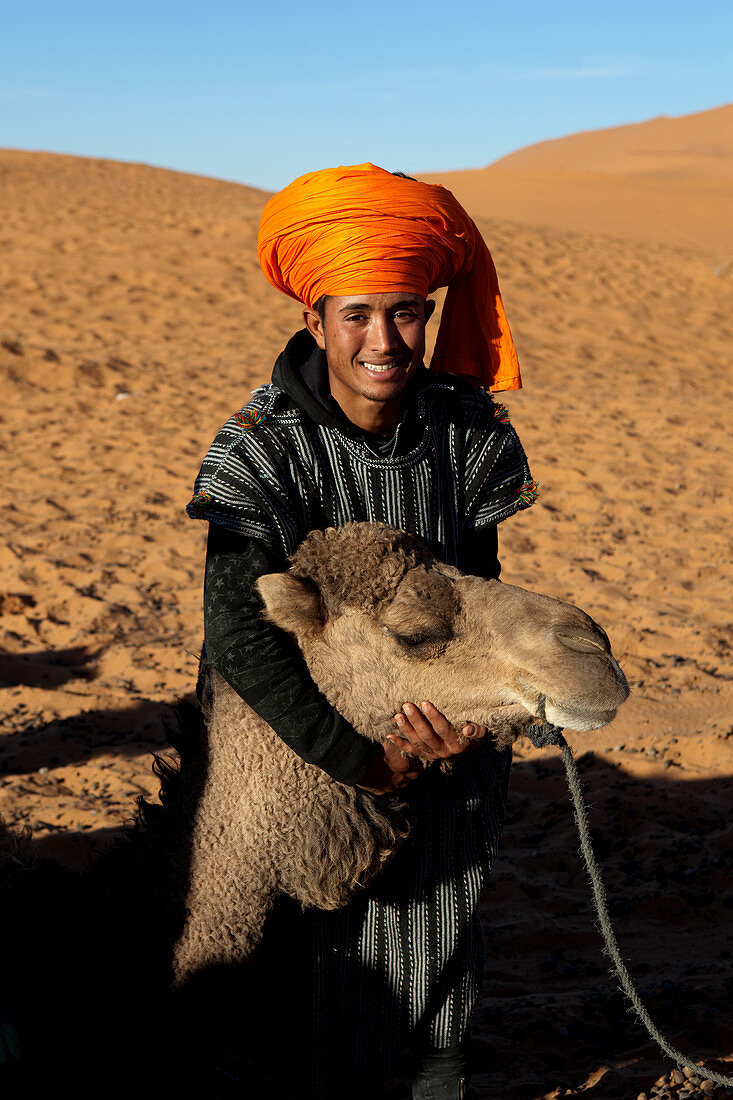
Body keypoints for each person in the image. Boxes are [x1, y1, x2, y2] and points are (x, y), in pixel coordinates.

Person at [187, 163, 537, 1099]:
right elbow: (239, 634)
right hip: (289, 732)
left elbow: (479, 583)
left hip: (437, 705)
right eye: (356, 314)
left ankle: (435, 1070)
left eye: (406, 311)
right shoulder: (260, 448)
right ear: (316, 321)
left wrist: (458, 723)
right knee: (297, 935)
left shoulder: (463, 433)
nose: (383, 339)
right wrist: (353, 756)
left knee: (442, 897)